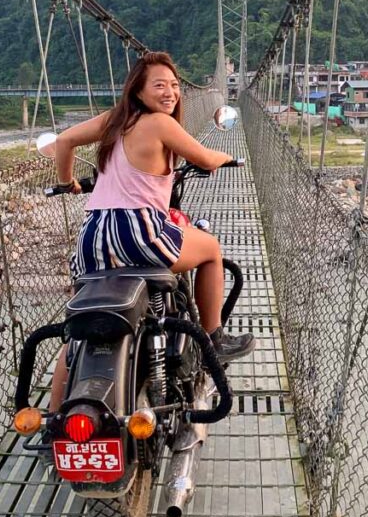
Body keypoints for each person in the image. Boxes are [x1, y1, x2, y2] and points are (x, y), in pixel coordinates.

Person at [48, 50, 255, 410]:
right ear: (139, 91)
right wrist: (224, 158)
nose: (170, 92)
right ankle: (213, 338)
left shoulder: (115, 120)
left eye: (175, 85)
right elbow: (204, 158)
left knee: (80, 333)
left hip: (92, 239)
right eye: (159, 85)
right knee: (209, 250)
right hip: (139, 233)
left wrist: (67, 184)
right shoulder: (160, 123)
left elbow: (64, 141)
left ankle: (53, 421)